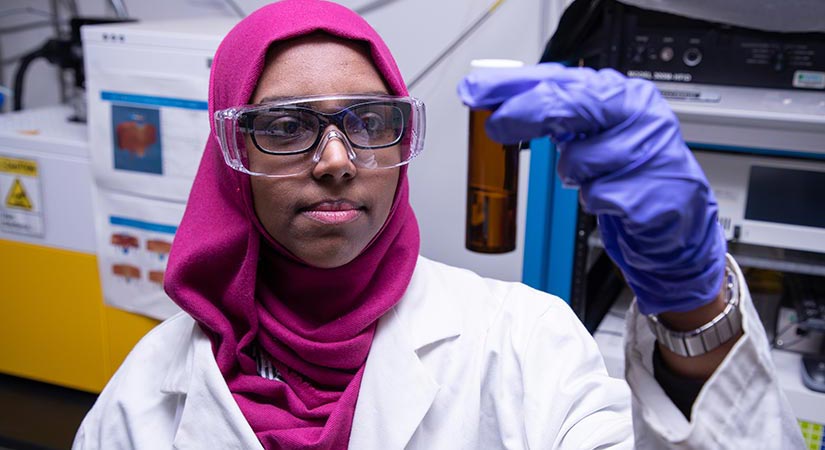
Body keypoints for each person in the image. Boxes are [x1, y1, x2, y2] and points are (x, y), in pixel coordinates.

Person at [73, 0, 804, 448]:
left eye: (368, 121)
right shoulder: (146, 394)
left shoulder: (525, 343)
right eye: (286, 127)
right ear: (230, 158)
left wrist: (693, 307)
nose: (335, 161)